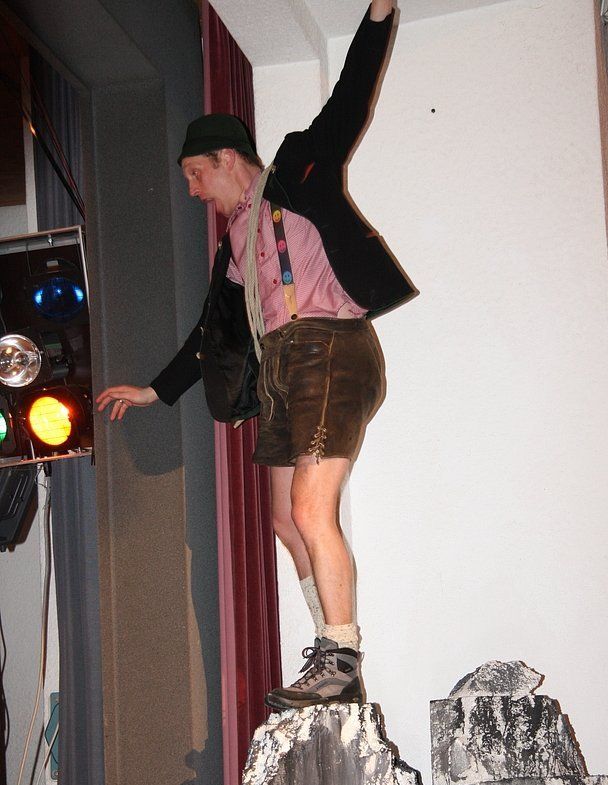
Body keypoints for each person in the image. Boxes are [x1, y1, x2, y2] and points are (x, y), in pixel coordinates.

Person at [97, 0, 414, 710]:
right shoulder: (233, 240)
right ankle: (330, 656)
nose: (191, 190)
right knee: (282, 518)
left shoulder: (298, 171)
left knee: (310, 506)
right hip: (280, 369)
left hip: (330, 347)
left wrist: (377, 15)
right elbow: (211, 332)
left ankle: (341, 659)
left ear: (226, 159)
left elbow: (350, 99)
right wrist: (155, 391)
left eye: (194, 174)